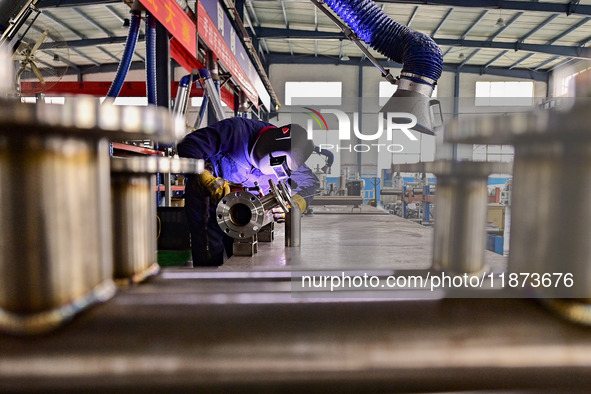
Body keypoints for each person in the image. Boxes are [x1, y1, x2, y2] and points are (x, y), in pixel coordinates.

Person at [177, 117, 319, 267]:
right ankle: (206, 282)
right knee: (208, 250)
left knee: (239, 253)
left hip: (243, 205)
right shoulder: (237, 130)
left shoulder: (291, 157)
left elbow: (310, 182)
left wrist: (293, 206)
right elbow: (189, 145)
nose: (276, 169)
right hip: (209, 194)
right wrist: (206, 178)